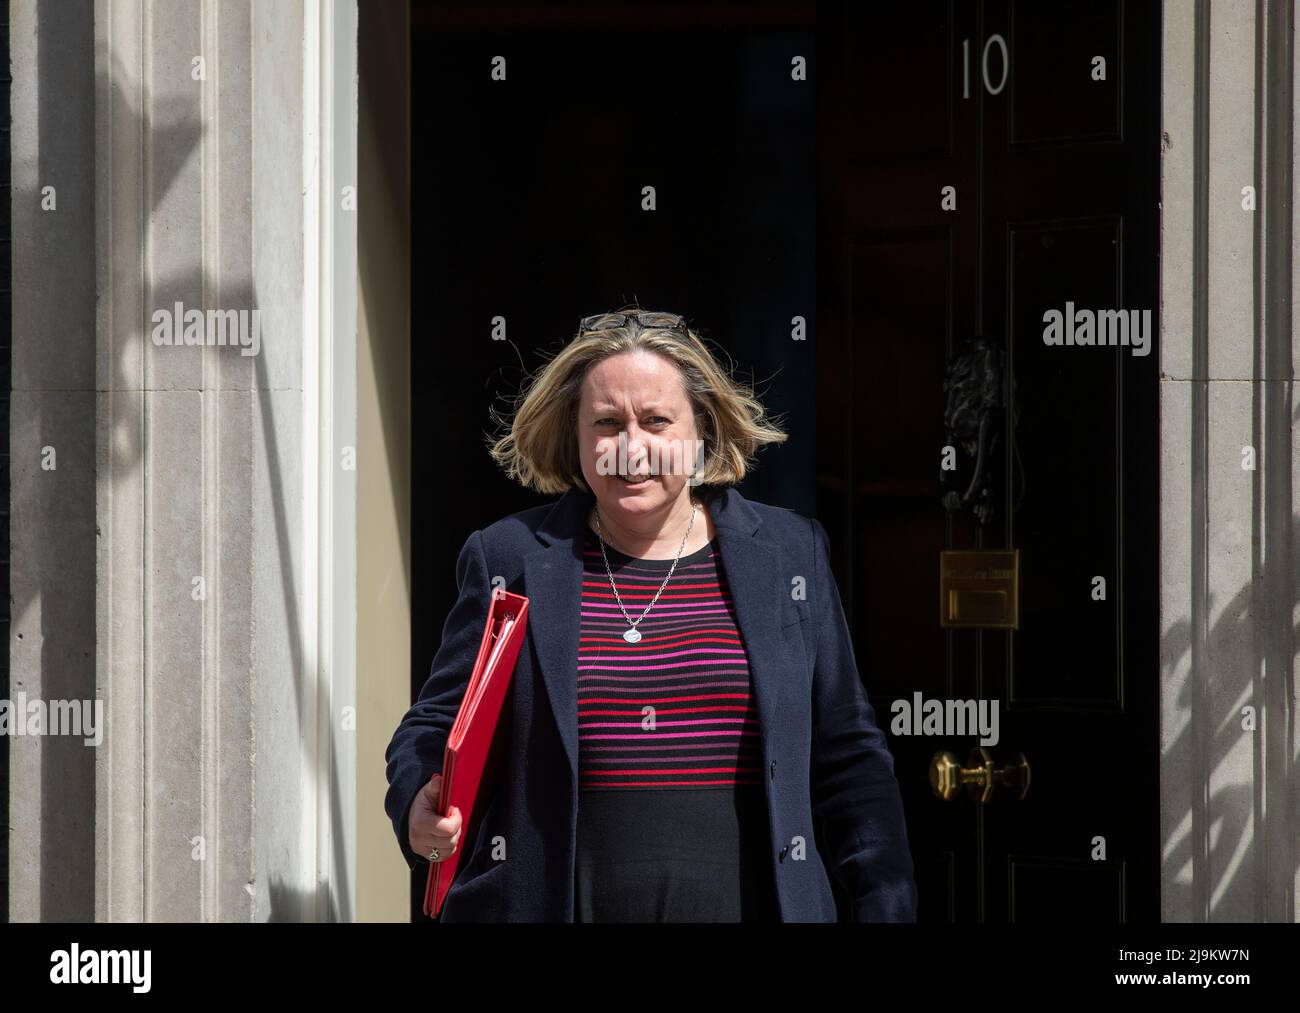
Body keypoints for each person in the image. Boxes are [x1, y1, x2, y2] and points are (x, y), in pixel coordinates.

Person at [384, 307, 917, 922]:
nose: (631, 450)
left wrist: (885, 903)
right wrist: (418, 799)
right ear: (576, 437)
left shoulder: (789, 554)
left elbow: (848, 753)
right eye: (607, 424)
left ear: (702, 431)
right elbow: (435, 722)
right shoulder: (510, 557)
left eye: (657, 422)